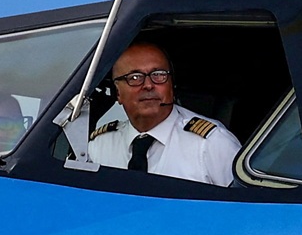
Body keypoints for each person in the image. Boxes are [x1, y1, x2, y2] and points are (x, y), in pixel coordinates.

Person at [85, 40, 241, 186]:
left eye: (158, 75)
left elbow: (241, 204)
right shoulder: (100, 145)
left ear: (171, 85)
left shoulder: (212, 144)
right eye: (134, 77)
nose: (148, 85)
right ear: (118, 93)